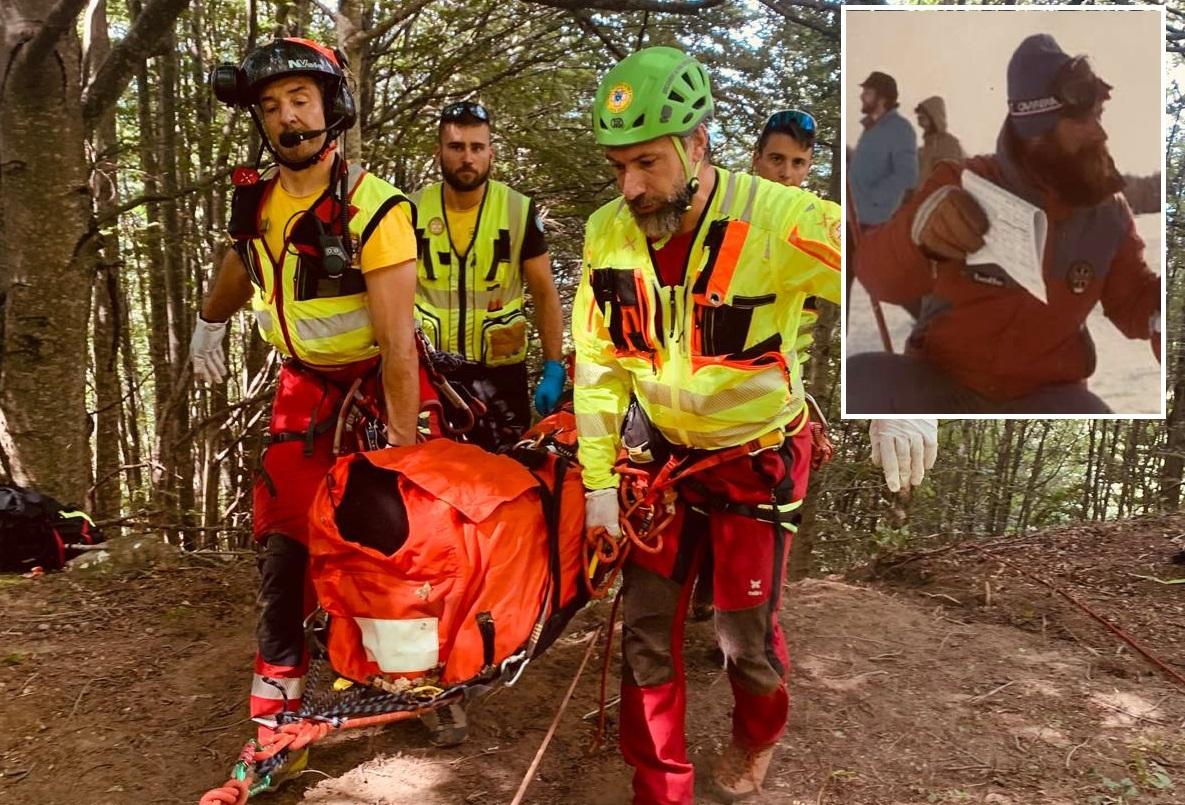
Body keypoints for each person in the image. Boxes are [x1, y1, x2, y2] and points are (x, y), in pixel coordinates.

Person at [574, 46, 938, 803]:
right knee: (646, 630)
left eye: (647, 163)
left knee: (743, 634)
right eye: (617, 168)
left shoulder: (780, 217)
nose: (631, 187)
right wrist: (599, 480)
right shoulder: (607, 231)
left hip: (756, 458)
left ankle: (758, 730)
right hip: (663, 459)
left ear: (697, 144)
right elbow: (601, 363)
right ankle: (661, 789)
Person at [189, 37, 435, 779]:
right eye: (271, 107)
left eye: (300, 100)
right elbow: (243, 262)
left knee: (390, 540)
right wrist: (208, 320)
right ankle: (276, 714)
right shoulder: (259, 203)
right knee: (285, 545)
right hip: (303, 390)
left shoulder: (373, 207)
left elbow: (397, 343)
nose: (286, 118)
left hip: (377, 386)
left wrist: (400, 450)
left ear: (332, 108)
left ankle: (418, 683)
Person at [848, 34, 1161, 415]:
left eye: (1097, 116)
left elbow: (1135, 300)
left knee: (1092, 414)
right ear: (1036, 129)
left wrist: (1163, 311)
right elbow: (878, 276)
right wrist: (918, 236)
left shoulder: (1109, 215)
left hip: (1048, 394)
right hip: (942, 379)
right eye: (1081, 119)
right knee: (860, 381)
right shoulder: (964, 182)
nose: (1100, 132)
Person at [412, 102, 565, 450]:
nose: (467, 158)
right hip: (430, 375)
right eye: (456, 147)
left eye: (477, 147)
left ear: (490, 153)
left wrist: (553, 366)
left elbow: (544, 293)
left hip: (500, 379)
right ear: (438, 152)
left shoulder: (517, 210)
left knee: (505, 473)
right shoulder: (410, 210)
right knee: (431, 473)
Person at [850, 71, 918, 229]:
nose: (862, 96)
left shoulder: (899, 128)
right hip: (854, 217)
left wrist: (873, 197)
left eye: (868, 92)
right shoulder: (871, 127)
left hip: (874, 223)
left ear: (882, 98)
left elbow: (907, 175)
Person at [915, 96, 966, 183]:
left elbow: (951, 177)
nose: (920, 123)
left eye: (923, 118)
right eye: (919, 119)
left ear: (934, 118)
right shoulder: (921, 151)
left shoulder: (951, 145)